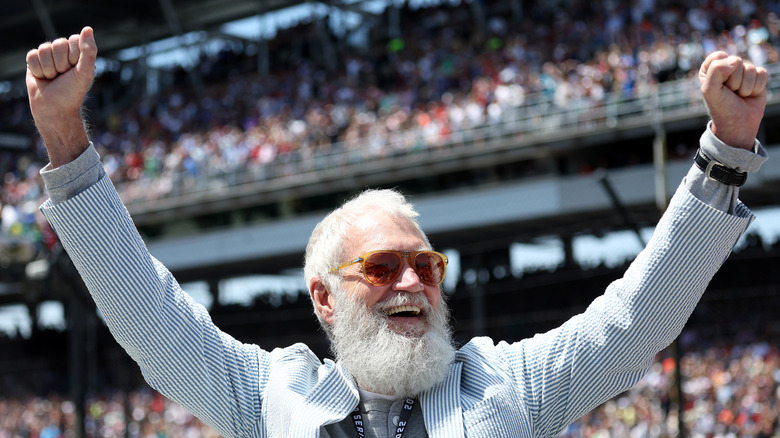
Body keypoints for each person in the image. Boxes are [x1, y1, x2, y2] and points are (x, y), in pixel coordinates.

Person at [27, 26, 768, 438]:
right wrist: (65, 136)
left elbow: (635, 321)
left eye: (426, 265)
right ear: (324, 297)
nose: (413, 281)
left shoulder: (511, 385)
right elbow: (148, 318)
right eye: (382, 267)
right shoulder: (268, 396)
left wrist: (725, 153)